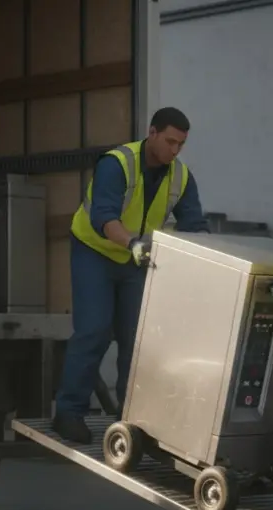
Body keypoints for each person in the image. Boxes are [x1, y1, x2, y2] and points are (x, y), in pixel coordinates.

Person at [51, 107, 211, 444]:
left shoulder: (180, 177)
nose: (175, 150)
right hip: (95, 251)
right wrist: (133, 244)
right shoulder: (117, 164)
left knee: (136, 340)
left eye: (181, 144)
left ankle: (132, 420)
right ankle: (68, 412)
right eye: (170, 141)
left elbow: (195, 227)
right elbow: (104, 217)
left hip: (136, 260)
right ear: (151, 133)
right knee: (94, 330)